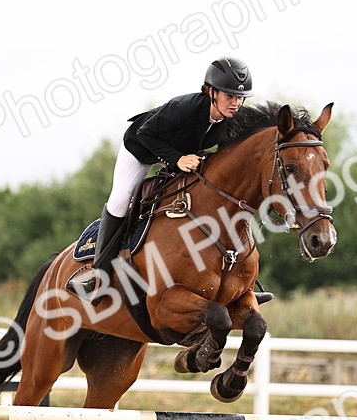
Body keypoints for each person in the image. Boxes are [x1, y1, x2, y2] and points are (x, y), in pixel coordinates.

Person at [70, 56, 273, 304]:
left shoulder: (231, 118)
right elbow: (145, 134)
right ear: (211, 92)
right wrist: (177, 160)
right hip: (141, 149)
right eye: (229, 96)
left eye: (240, 97)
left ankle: (243, 284)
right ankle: (97, 277)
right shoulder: (183, 108)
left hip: (181, 155)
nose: (236, 103)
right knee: (120, 201)